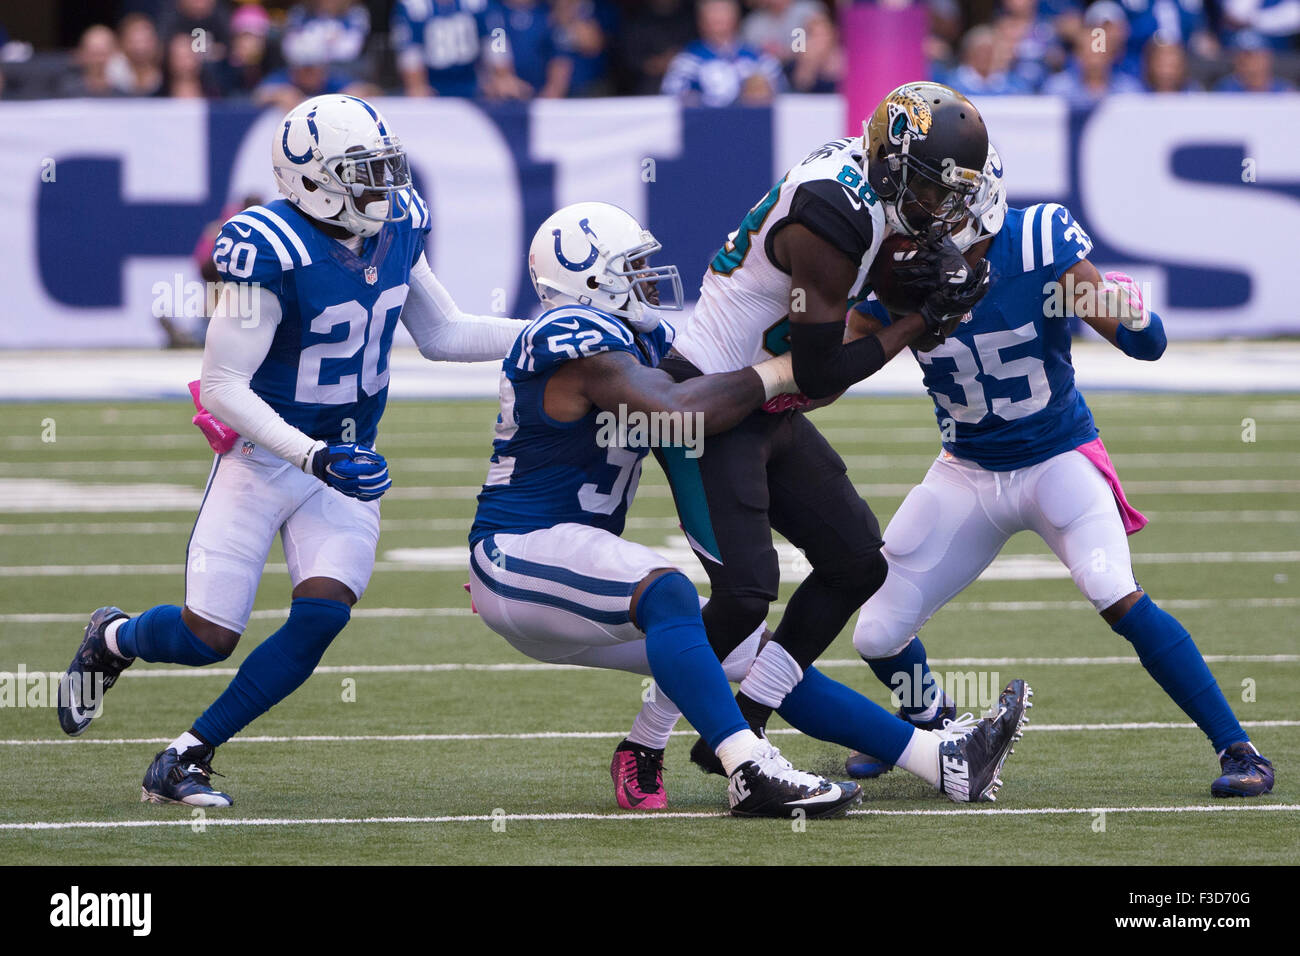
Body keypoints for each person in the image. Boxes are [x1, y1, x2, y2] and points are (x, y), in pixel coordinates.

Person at [468, 201, 1029, 814]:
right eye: (630, 267)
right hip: (518, 558)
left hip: (575, 583)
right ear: (590, 279)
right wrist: (781, 371)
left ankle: (940, 762)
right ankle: (747, 768)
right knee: (672, 593)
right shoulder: (572, 338)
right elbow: (682, 410)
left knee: (752, 653)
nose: (648, 279)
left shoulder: (631, 340)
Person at [56, 95, 523, 807]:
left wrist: (547, 333)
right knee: (208, 635)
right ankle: (114, 639)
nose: (383, 188)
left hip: (343, 461)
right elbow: (222, 385)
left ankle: (187, 756)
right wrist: (311, 454)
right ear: (311, 179)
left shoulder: (397, 225)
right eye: (361, 172)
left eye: (382, 168)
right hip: (264, 459)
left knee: (322, 615)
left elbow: (445, 333)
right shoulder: (262, 247)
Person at [842, 145, 1276, 800]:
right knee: (875, 632)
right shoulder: (897, 268)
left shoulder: (1039, 241)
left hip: (1056, 458)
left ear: (979, 201)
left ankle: (1238, 746)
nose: (924, 217)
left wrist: (1128, 314)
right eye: (919, 203)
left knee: (1111, 588)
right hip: (968, 468)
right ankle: (929, 722)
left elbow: (1145, 343)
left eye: (939, 203)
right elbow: (836, 366)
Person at [657, 82, 989, 758]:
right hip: (710, 399)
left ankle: (749, 714)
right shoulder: (832, 212)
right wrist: (919, 318)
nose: (938, 208)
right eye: (930, 189)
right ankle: (645, 740)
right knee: (746, 596)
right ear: (893, 165)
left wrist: (912, 285)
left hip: (763, 398)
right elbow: (818, 372)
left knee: (855, 562)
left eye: (950, 193)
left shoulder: (866, 184)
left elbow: (824, 343)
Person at [661, 0, 785, 106]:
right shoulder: (689, 58)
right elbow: (672, 95)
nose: (718, 18)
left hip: (751, 126)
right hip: (704, 127)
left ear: (736, 18)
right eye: (712, 13)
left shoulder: (756, 55)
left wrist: (763, 90)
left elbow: (782, 89)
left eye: (723, 13)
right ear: (701, 21)